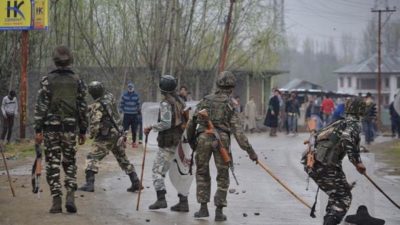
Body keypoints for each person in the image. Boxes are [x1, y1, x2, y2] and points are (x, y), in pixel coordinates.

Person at [186, 71, 258, 221]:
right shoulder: (230, 105)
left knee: (202, 173)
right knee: (223, 175)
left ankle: (203, 208)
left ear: (218, 85)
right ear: (231, 88)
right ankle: (219, 211)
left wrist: (193, 141)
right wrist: (250, 151)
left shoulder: (205, 100)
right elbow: (238, 133)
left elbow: (192, 121)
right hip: (222, 142)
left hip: (204, 138)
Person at [34, 46, 88, 214]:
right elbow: (82, 106)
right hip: (70, 129)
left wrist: (38, 129)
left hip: (51, 129)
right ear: (70, 60)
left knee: (53, 164)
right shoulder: (77, 80)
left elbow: (41, 107)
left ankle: (56, 201)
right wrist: (82, 130)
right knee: (70, 162)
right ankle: (70, 196)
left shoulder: (47, 80)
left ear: (55, 61)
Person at [304, 97, 367, 225]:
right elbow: (347, 139)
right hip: (324, 165)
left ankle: (329, 221)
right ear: (361, 110)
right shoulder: (353, 124)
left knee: (337, 195)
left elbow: (316, 137)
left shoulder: (339, 122)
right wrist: (357, 162)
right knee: (344, 197)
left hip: (314, 163)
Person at [78, 81, 142, 193]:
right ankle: (135, 181)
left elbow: (95, 123)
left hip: (106, 136)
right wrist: (89, 108)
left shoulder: (97, 107)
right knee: (122, 158)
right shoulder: (109, 96)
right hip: (118, 132)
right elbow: (104, 106)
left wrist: (91, 134)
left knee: (92, 157)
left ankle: (89, 184)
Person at [144, 75, 190, 212]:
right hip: (181, 142)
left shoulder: (166, 103)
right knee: (180, 172)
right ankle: (183, 202)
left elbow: (165, 123)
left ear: (162, 89)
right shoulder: (180, 101)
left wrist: (151, 127)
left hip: (168, 142)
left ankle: (161, 199)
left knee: (157, 171)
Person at [119, 82, 141, 148]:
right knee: (125, 129)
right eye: (129, 88)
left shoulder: (136, 95)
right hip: (127, 114)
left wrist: (139, 111)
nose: (130, 89)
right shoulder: (124, 95)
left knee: (134, 130)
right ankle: (124, 142)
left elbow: (138, 104)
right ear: (128, 88)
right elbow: (121, 104)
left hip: (134, 115)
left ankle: (134, 142)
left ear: (133, 88)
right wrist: (120, 110)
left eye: (131, 88)